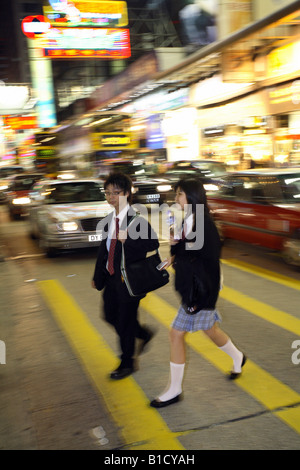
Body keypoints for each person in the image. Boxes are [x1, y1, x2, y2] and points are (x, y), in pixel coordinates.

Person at [150, 178, 246, 408]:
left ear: (192, 196)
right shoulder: (192, 218)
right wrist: (174, 251)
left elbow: (207, 257)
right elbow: (188, 251)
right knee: (209, 329)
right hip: (196, 286)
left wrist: (179, 247)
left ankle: (174, 390)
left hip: (201, 289)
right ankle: (237, 357)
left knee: (176, 334)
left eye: (180, 194)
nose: (177, 199)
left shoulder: (203, 222)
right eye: (176, 194)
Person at [92, 172, 159, 380]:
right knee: (109, 315)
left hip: (129, 281)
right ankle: (143, 333)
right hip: (112, 278)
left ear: (128, 194)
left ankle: (127, 362)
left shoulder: (137, 221)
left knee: (124, 322)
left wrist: (128, 240)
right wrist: (98, 276)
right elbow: (104, 251)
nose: (111, 197)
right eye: (108, 193)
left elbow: (153, 244)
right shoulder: (109, 219)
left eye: (116, 192)